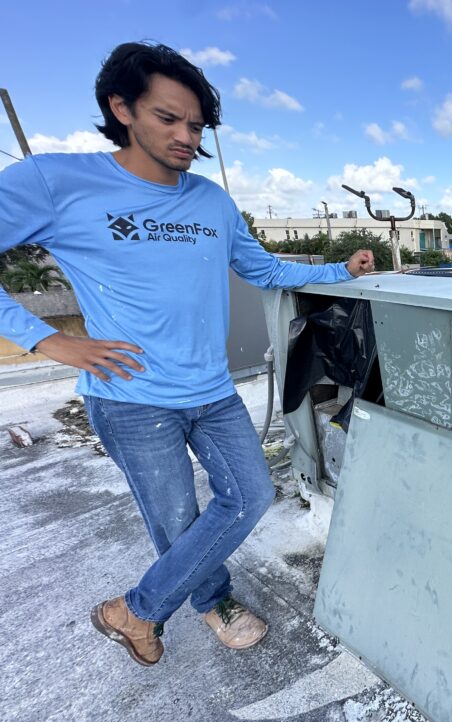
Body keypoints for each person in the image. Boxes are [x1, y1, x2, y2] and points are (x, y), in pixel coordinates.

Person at [0, 42, 375, 666]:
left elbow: (262, 267)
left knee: (249, 496)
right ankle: (213, 600)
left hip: (212, 389)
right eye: (167, 118)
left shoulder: (210, 200)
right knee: (177, 519)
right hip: (131, 396)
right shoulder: (56, 182)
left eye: (196, 125)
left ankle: (135, 611)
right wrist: (49, 340)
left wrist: (341, 267)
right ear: (121, 107)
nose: (185, 136)